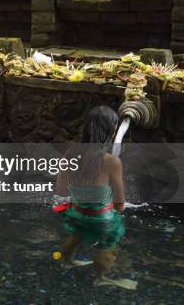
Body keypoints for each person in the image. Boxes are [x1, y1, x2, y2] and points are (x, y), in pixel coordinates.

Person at [56, 105, 137, 290]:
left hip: (75, 213)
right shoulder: (111, 161)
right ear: (112, 130)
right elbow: (119, 204)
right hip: (101, 218)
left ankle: (66, 261)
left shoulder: (70, 153)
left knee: (75, 236)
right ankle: (102, 277)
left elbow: (61, 191)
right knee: (106, 244)